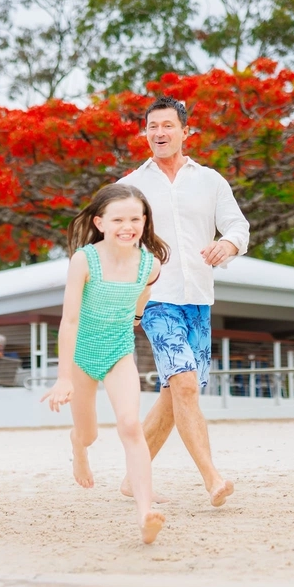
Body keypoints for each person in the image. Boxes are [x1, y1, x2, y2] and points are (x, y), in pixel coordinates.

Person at [118, 96, 250, 508]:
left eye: (167, 126)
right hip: (157, 298)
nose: (159, 133)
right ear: (145, 133)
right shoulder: (131, 186)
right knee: (186, 386)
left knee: (175, 395)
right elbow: (116, 239)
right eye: (152, 126)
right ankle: (212, 478)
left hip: (199, 300)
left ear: (185, 131)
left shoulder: (210, 181)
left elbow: (237, 225)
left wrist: (227, 245)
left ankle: (131, 477)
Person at [41, 184, 168, 545]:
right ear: (99, 222)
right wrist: (64, 377)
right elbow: (69, 321)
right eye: (118, 219)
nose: (127, 226)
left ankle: (145, 513)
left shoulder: (149, 264)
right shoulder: (84, 260)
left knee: (130, 425)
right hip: (81, 354)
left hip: (118, 351)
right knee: (90, 434)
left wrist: (138, 314)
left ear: (144, 222)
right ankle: (77, 447)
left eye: (135, 219)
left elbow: (145, 291)